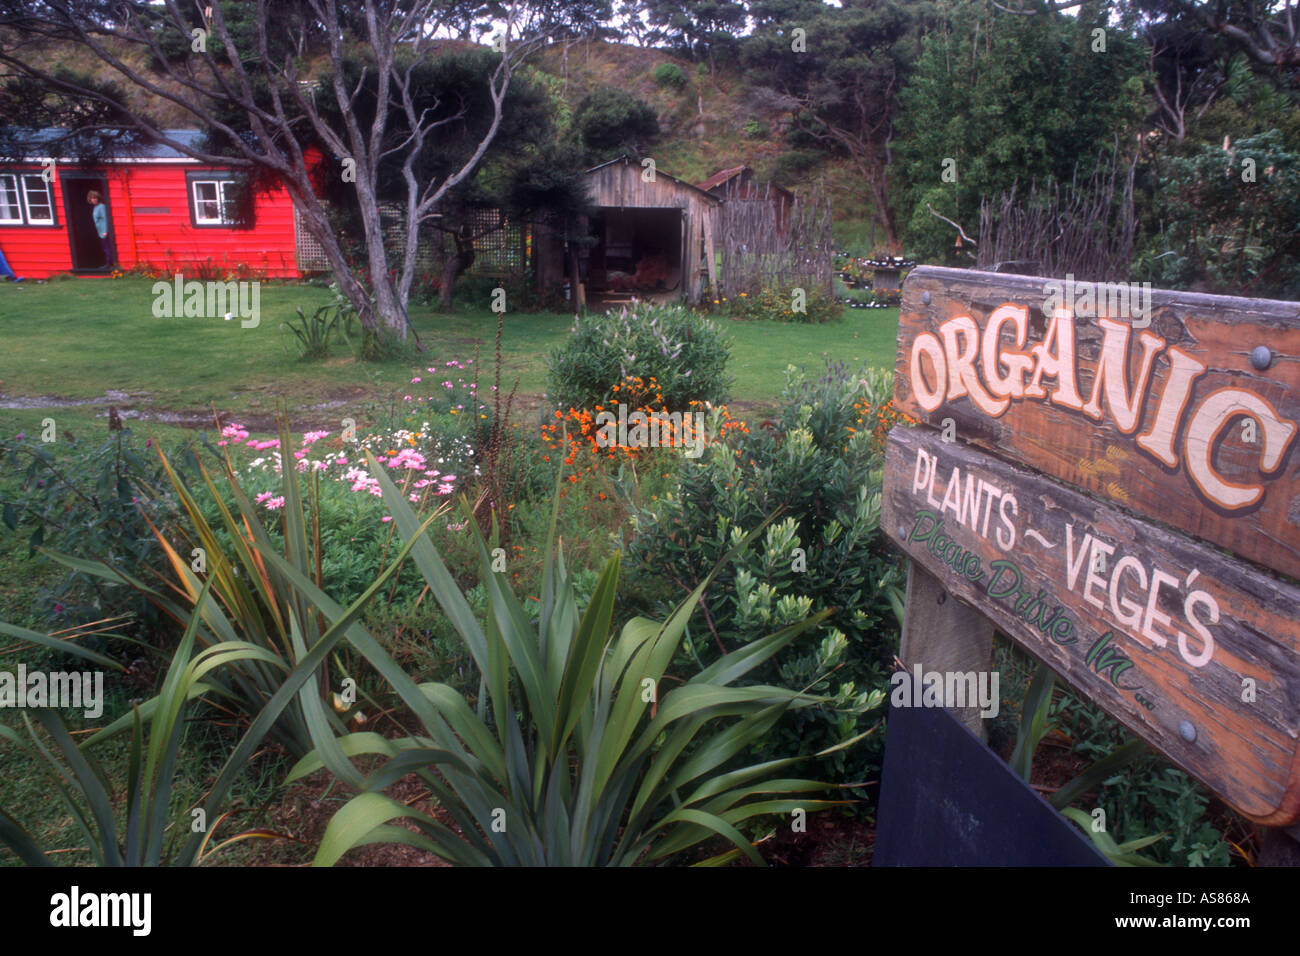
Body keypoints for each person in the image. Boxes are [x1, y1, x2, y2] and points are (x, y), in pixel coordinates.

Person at [88, 190, 113, 269]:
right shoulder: (95, 207)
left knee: (107, 247)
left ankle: (109, 264)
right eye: (92, 198)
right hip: (100, 231)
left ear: (98, 198)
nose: (94, 199)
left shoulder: (101, 206)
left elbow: (105, 218)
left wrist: (105, 231)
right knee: (104, 247)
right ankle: (108, 263)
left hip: (104, 231)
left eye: (95, 198)